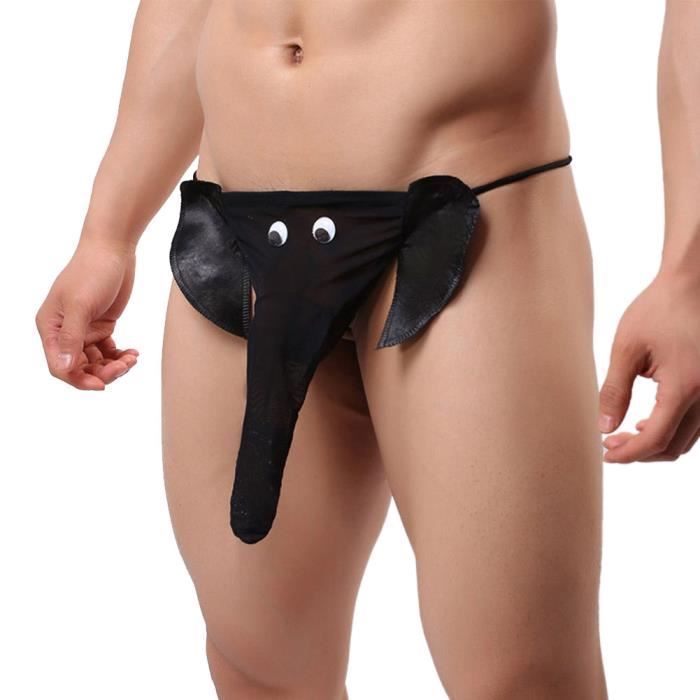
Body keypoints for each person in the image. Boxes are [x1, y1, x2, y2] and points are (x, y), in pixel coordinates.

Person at [34, 1, 700, 698]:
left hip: (465, 210)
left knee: (522, 681)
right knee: (261, 668)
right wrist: (107, 230)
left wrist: (687, 272)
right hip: (237, 227)